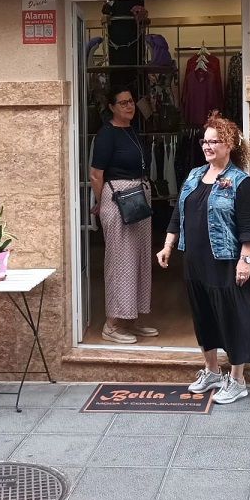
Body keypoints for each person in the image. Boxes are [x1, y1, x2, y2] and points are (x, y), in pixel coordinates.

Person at [157, 114, 250, 404]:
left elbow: (249, 227)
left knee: (233, 317)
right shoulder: (195, 175)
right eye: (205, 141)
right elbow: (177, 215)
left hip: (225, 261)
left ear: (229, 144)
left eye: (214, 141)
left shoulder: (240, 182)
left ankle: (237, 379)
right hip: (195, 260)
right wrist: (168, 245)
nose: (207, 146)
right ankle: (212, 371)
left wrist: (244, 260)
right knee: (203, 316)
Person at [90, 86, 157, 344]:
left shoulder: (131, 130)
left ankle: (131, 318)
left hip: (138, 197)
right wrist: (102, 201)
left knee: (139, 259)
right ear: (111, 107)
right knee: (120, 262)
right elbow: (96, 174)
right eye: (122, 103)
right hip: (119, 199)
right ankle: (112, 324)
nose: (129, 107)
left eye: (131, 102)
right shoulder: (107, 135)